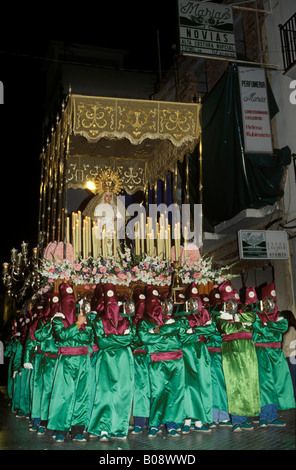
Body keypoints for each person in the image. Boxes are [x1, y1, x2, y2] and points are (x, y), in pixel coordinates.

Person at [87, 283, 135, 441]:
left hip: (123, 360)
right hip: (106, 359)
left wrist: (111, 338)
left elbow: (130, 339)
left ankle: (119, 427)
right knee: (105, 393)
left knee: (122, 392)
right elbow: (101, 342)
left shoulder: (126, 320)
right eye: (110, 304)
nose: (112, 307)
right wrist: (119, 339)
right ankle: (103, 428)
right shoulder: (99, 320)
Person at [47, 282, 93, 443]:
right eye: (67, 302)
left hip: (82, 361)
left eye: (72, 302)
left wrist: (76, 328)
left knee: (81, 395)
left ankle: (77, 429)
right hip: (66, 361)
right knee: (63, 394)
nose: (70, 305)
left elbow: (87, 337)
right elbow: (61, 336)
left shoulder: (83, 318)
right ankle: (61, 429)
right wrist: (78, 326)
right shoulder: (57, 319)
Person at [137, 286, 185, 437]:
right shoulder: (144, 322)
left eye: (158, 302)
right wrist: (166, 333)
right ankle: (155, 424)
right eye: (152, 302)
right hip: (157, 362)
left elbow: (179, 328)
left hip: (176, 361)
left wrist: (157, 332)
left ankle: (172, 423)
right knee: (157, 393)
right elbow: (145, 339)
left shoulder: (172, 319)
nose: (156, 306)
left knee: (175, 393)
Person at [215, 281, 261, 432]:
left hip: (248, 349)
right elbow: (226, 328)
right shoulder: (220, 315)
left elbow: (252, 318)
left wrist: (238, 319)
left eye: (234, 302)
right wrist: (242, 324)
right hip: (230, 349)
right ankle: (236, 420)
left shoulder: (243, 310)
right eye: (228, 302)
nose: (232, 305)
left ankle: (246, 417)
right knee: (234, 383)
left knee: (249, 382)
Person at [252, 283, 296, 427]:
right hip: (262, 354)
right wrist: (268, 326)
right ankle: (265, 416)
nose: (270, 305)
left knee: (278, 384)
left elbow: (281, 327)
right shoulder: (257, 317)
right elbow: (260, 329)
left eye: (272, 302)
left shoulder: (281, 318)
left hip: (277, 356)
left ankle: (272, 416)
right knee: (265, 385)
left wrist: (266, 325)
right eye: (267, 302)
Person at [177, 284, 215, 434]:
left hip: (201, 350)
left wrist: (193, 330)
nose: (194, 303)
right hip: (187, 351)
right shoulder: (182, 313)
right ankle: (187, 419)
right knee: (188, 385)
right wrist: (197, 332)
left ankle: (200, 420)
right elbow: (181, 335)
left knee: (203, 383)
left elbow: (211, 329)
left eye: (196, 300)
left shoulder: (204, 312)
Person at [33, 293, 60, 435]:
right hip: (48, 360)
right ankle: (44, 420)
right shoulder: (43, 321)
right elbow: (38, 336)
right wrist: (50, 323)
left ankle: (58, 422)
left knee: (60, 392)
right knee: (47, 390)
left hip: (63, 359)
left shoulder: (66, 319)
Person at [206, 288, 231, 427]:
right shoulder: (210, 318)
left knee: (223, 385)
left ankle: (223, 415)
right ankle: (215, 415)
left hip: (222, 355)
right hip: (212, 355)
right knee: (214, 385)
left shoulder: (224, 318)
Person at [130, 288, 150, 434]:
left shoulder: (152, 321)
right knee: (139, 389)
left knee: (151, 389)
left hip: (151, 357)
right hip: (137, 358)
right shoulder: (131, 322)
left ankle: (151, 421)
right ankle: (138, 421)